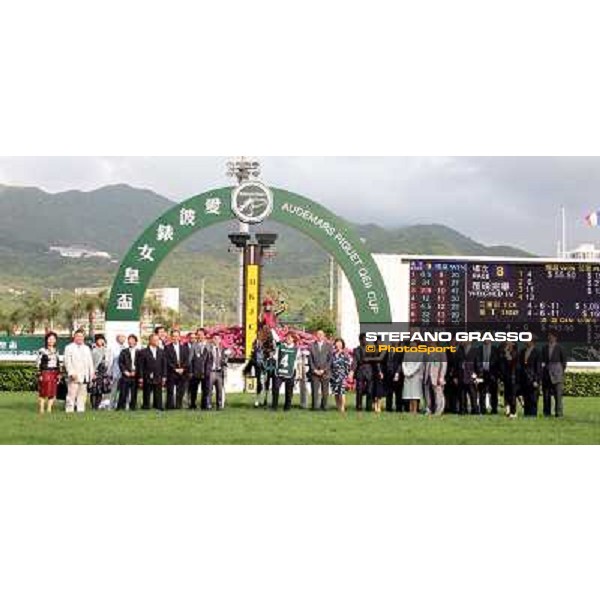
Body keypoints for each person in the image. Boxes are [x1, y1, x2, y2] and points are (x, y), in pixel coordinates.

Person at [64, 329, 95, 413]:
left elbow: (90, 362)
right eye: (78, 336)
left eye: (81, 336)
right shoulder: (69, 347)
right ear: (74, 337)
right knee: (71, 394)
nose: (80, 338)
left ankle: (80, 409)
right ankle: (69, 410)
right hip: (74, 375)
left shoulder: (86, 348)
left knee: (82, 394)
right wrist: (71, 373)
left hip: (85, 375)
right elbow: (67, 362)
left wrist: (91, 373)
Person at [541, 331, 567, 418]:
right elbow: (543, 361)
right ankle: (546, 413)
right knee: (546, 395)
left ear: (555, 338)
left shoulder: (560, 348)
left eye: (551, 336)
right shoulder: (544, 348)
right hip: (547, 375)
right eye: (549, 336)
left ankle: (559, 413)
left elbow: (564, 362)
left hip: (557, 375)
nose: (549, 338)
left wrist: (559, 371)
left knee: (558, 395)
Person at [138, 333, 167, 410]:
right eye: (155, 340)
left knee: (158, 392)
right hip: (147, 375)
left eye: (158, 340)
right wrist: (140, 377)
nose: (157, 341)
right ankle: (146, 406)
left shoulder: (162, 351)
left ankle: (158, 406)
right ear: (150, 341)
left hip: (158, 375)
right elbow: (140, 366)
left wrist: (164, 376)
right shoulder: (143, 352)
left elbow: (164, 365)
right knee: (146, 392)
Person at [272, 332, 299, 411]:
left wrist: (298, 373)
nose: (288, 339)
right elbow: (275, 357)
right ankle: (274, 406)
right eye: (287, 337)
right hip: (279, 372)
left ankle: (287, 408)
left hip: (290, 372)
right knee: (276, 388)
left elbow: (297, 361)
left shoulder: (296, 349)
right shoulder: (280, 347)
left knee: (289, 391)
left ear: (293, 339)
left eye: (290, 338)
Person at [165, 329, 190, 410]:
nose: (175, 338)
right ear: (171, 337)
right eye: (173, 336)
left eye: (177, 336)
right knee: (170, 391)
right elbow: (167, 360)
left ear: (179, 337)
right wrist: (175, 369)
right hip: (172, 372)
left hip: (183, 372)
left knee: (181, 391)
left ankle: (178, 406)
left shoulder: (184, 348)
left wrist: (183, 368)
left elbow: (187, 360)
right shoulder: (167, 348)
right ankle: (170, 406)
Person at [36, 331, 61, 414]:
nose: (51, 340)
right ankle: (41, 409)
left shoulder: (56, 350)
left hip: (54, 372)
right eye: (50, 339)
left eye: (53, 339)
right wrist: (39, 374)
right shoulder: (42, 350)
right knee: (43, 391)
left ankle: (49, 409)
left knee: (52, 392)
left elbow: (58, 363)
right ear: (46, 340)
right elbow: (38, 362)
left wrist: (59, 373)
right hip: (45, 372)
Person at [308, 330, 333, 411]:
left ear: (324, 336)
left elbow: (330, 360)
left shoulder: (329, 346)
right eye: (318, 334)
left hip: (325, 372)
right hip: (314, 372)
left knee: (325, 391)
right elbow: (310, 359)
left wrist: (324, 370)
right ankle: (315, 406)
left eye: (321, 334)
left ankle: (324, 406)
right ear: (316, 335)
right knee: (314, 390)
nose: (319, 336)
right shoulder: (312, 345)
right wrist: (314, 369)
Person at [351, 333, 375, 412]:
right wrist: (352, 371)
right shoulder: (356, 349)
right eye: (364, 339)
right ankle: (359, 407)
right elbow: (355, 361)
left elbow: (375, 360)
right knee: (359, 390)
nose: (365, 341)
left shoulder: (371, 348)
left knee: (370, 390)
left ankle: (369, 407)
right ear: (360, 340)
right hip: (360, 371)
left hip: (369, 371)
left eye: (366, 339)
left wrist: (378, 371)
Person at [457, 341, 481, 415]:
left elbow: (478, 363)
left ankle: (475, 410)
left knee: (473, 394)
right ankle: (463, 410)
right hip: (461, 376)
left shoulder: (475, 350)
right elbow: (456, 364)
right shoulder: (459, 350)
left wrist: (478, 375)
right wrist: (455, 376)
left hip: (471, 376)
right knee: (462, 395)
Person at [89, 334, 112, 410]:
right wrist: (93, 372)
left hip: (103, 372)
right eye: (99, 339)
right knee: (94, 390)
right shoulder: (93, 350)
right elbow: (91, 362)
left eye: (102, 339)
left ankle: (97, 406)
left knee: (101, 390)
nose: (101, 341)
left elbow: (108, 360)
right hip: (96, 371)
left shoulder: (106, 350)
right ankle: (93, 406)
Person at [117, 334, 140, 410]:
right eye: (129, 340)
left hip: (135, 374)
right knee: (123, 392)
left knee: (134, 392)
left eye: (132, 340)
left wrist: (136, 372)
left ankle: (132, 407)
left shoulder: (139, 352)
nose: (131, 341)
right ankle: (121, 407)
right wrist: (125, 371)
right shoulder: (124, 351)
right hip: (126, 374)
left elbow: (141, 364)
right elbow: (120, 363)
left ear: (136, 342)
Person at [520, 337, 541, 417]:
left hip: (533, 379)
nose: (525, 341)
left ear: (532, 341)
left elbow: (538, 368)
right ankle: (526, 413)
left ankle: (533, 414)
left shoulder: (537, 352)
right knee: (526, 397)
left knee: (533, 398)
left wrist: (536, 380)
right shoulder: (522, 352)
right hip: (524, 379)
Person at [423, 344, 447, 415]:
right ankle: (428, 409)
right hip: (427, 376)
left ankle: (439, 410)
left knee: (438, 394)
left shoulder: (441, 351)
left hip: (437, 376)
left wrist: (441, 376)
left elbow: (444, 365)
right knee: (427, 394)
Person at [206, 334, 228, 410]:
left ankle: (219, 405)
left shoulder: (222, 350)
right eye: (214, 338)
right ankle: (208, 405)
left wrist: (225, 361)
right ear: (212, 340)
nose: (216, 340)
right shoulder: (209, 349)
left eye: (218, 339)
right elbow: (205, 361)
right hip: (211, 371)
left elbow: (225, 360)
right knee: (209, 390)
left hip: (219, 372)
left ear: (220, 340)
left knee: (219, 390)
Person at [478, 340, 500, 414]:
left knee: (493, 392)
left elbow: (497, 362)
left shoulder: (495, 349)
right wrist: (479, 372)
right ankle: (482, 409)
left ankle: (494, 409)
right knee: (482, 392)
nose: (486, 339)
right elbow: (477, 361)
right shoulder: (479, 349)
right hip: (482, 373)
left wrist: (496, 374)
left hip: (492, 374)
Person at [189, 328, 209, 410]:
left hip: (206, 372)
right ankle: (193, 404)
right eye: (198, 335)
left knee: (205, 389)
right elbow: (190, 360)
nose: (199, 336)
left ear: (205, 335)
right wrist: (190, 371)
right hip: (195, 372)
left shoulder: (209, 346)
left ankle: (204, 405)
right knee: (194, 390)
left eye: (201, 334)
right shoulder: (194, 345)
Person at [402, 341, 425, 414]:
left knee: (415, 394)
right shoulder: (407, 353)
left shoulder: (420, 353)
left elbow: (418, 365)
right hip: (407, 375)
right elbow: (403, 363)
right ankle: (410, 410)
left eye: (414, 344)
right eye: (411, 344)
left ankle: (415, 410)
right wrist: (406, 372)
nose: (412, 345)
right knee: (408, 394)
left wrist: (411, 372)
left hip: (415, 376)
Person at [499, 341, 520, 418]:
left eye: (509, 344)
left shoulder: (515, 353)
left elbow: (512, 361)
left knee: (513, 395)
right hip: (506, 377)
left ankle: (513, 412)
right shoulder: (503, 354)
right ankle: (507, 410)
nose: (507, 346)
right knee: (507, 395)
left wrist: (506, 353)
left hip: (513, 377)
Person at [330, 338, 352, 412]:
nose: (338, 345)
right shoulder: (333, 354)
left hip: (342, 376)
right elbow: (330, 364)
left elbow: (348, 365)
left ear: (342, 344)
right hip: (334, 376)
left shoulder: (345, 354)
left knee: (342, 392)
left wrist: (346, 375)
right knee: (336, 392)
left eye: (340, 343)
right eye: (337, 343)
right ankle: (338, 407)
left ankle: (342, 407)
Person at [109, 334, 127, 409]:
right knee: (114, 389)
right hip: (116, 371)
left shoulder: (126, 348)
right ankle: (111, 404)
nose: (123, 339)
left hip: (124, 372)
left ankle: (124, 404)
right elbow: (110, 360)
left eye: (124, 338)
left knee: (124, 389)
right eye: (121, 337)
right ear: (117, 339)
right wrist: (110, 371)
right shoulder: (113, 348)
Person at [384, 346, 404, 412]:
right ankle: (388, 408)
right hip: (388, 374)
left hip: (397, 374)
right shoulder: (388, 350)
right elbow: (385, 361)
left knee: (398, 393)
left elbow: (401, 363)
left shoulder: (401, 350)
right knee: (389, 393)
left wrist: (398, 372)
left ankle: (399, 408)